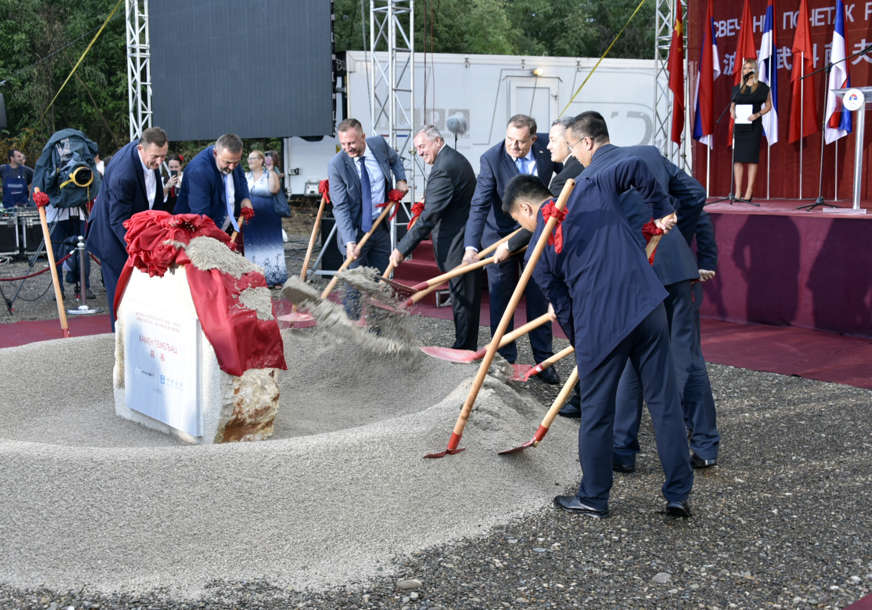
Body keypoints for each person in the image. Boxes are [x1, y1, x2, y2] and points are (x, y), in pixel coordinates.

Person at [503, 165, 694, 519]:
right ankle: (678, 493)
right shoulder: (590, 189)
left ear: (526, 209)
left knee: (596, 413)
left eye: (520, 220)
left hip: (603, 326)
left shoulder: (537, 251)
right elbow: (640, 169)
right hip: (647, 305)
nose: (524, 228)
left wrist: (582, 345)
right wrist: (662, 206)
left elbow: (563, 308)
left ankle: (593, 496)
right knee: (664, 403)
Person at [462, 114, 558, 383]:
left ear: (533, 139)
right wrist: (471, 247)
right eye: (510, 140)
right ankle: (504, 358)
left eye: (520, 141)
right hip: (499, 236)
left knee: (539, 294)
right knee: (501, 300)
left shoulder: (545, 153)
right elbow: (479, 205)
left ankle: (544, 359)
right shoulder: (492, 159)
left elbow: (565, 177)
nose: (514, 146)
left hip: (535, 233)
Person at [389, 126, 481, 350]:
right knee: (461, 295)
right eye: (417, 149)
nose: (419, 153)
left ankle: (464, 347)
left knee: (463, 297)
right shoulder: (450, 160)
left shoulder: (445, 168)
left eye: (422, 146)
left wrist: (402, 249)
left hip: (457, 241)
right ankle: (464, 343)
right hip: (457, 236)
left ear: (438, 141)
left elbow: (429, 218)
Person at [86, 127, 170, 327]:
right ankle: (121, 341)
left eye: (163, 157)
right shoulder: (124, 174)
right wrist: (138, 251)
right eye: (155, 157)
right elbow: (118, 219)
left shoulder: (148, 154)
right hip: (113, 238)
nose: (159, 162)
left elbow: (154, 202)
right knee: (121, 295)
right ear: (141, 148)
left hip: (135, 229)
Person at [327, 118, 407, 319]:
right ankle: (352, 332)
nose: (348, 148)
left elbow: (395, 159)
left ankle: (378, 330)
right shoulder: (337, 165)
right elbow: (341, 207)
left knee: (380, 281)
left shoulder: (378, 145)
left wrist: (401, 180)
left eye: (352, 143)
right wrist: (350, 241)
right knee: (354, 285)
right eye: (343, 144)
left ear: (363, 137)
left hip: (380, 227)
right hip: (355, 231)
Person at [174, 134, 253, 232]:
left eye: (236, 163)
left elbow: (241, 179)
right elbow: (201, 217)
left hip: (226, 226)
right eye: (227, 163)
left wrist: (245, 199)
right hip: (197, 232)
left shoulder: (231, 157)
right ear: (215, 153)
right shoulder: (198, 171)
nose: (232, 167)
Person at [731, 58, 772, 202]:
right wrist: (732, 112)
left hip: (753, 126)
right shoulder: (738, 88)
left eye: (749, 68)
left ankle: (749, 192)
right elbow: (732, 105)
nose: (747, 71)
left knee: (751, 159)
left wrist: (758, 114)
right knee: (738, 159)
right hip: (740, 126)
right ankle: (737, 192)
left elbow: (768, 106)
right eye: (745, 68)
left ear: (755, 70)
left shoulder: (762, 88)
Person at [244, 149, 287, 286]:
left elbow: (274, 189)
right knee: (253, 245)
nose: (249, 161)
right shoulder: (246, 176)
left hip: (268, 215)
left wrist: (272, 170)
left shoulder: (269, 174)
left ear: (261, 160)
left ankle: (274, 278)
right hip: (251, 217)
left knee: (270, 245)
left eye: (253, 158)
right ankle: (255, 277)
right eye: (249, 158)